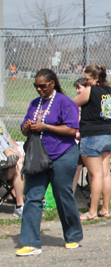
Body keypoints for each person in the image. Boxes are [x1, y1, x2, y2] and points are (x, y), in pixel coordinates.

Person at [16, 69, 83, 256]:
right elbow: (24, 130)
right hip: (38, 156)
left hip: (63, 154)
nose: (39, 89)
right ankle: (30, 242)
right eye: (36, 86)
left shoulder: (64, 102)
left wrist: (46, 126)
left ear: (52, 84)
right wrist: (27, 127)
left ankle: (73, 235)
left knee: (63, 195)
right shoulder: (34, 104)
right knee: (33, 196)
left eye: (42, 86)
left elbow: (72, 130)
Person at [73, 65, 111, 220]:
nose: (86, 83)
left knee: (96, 175)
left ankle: (92, 211)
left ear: (95, 78)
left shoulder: (89, 91)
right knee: (106, 174)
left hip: (92, 135)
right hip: (107, 133)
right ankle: (105, 209)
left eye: (87, 79)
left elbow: (72, 104)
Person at [0, 117, 24, 217]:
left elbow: (8, 152)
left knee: (19, 163)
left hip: (2, 169)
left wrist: (17, 157)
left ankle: (20, 206)